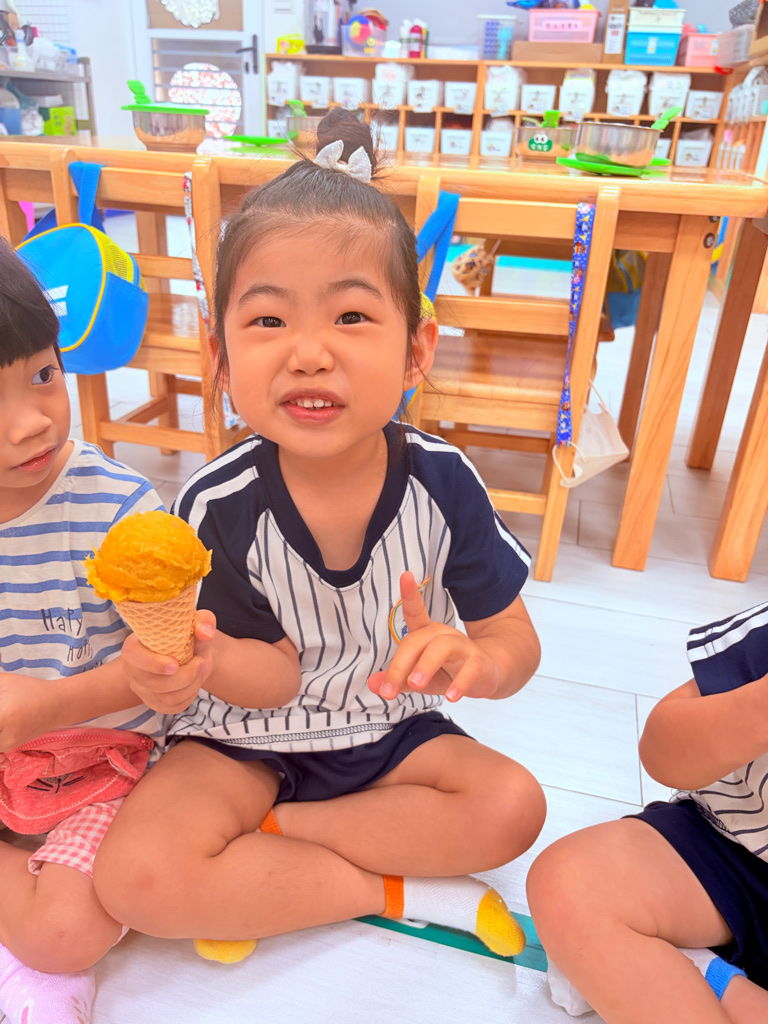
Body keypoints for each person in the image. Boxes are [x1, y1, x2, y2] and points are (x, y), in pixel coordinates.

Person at [92, 109, 546, 957]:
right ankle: (395, 889)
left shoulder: (444, 482)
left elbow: (513, 638)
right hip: (240, 742)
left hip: (391, 733)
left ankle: (270, 854)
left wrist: (482, 663)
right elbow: (266, 684)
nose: (308, 353)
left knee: (513, 805)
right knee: (136, 878)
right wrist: (194, 663)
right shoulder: (217, 504)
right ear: (221, 359)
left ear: (417, 351)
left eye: (351, 318)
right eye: (268, 322)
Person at [0, 237, 167, 1024]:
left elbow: (164, 669)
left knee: (65, 932)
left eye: (43, 375)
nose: (31, 423)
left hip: (105, 762)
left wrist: (48, 706)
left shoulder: (117, 509)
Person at [527, 600, 768, 1024]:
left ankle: (709, 975)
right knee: (571, 885)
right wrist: (755, 712)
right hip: (731, 845)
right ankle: (707, 974)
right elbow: (660, 749)